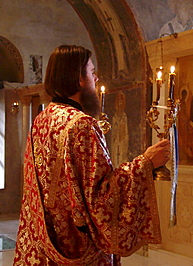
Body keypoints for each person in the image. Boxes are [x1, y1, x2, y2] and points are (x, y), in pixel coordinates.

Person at [13, 45, 170, 266]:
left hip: (42, 245)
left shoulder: (42, 119)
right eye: (92, 72)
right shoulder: (81, 125)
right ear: (79, 79)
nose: (96, 79)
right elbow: (100, 198)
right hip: (78, 248)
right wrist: (145, 163)